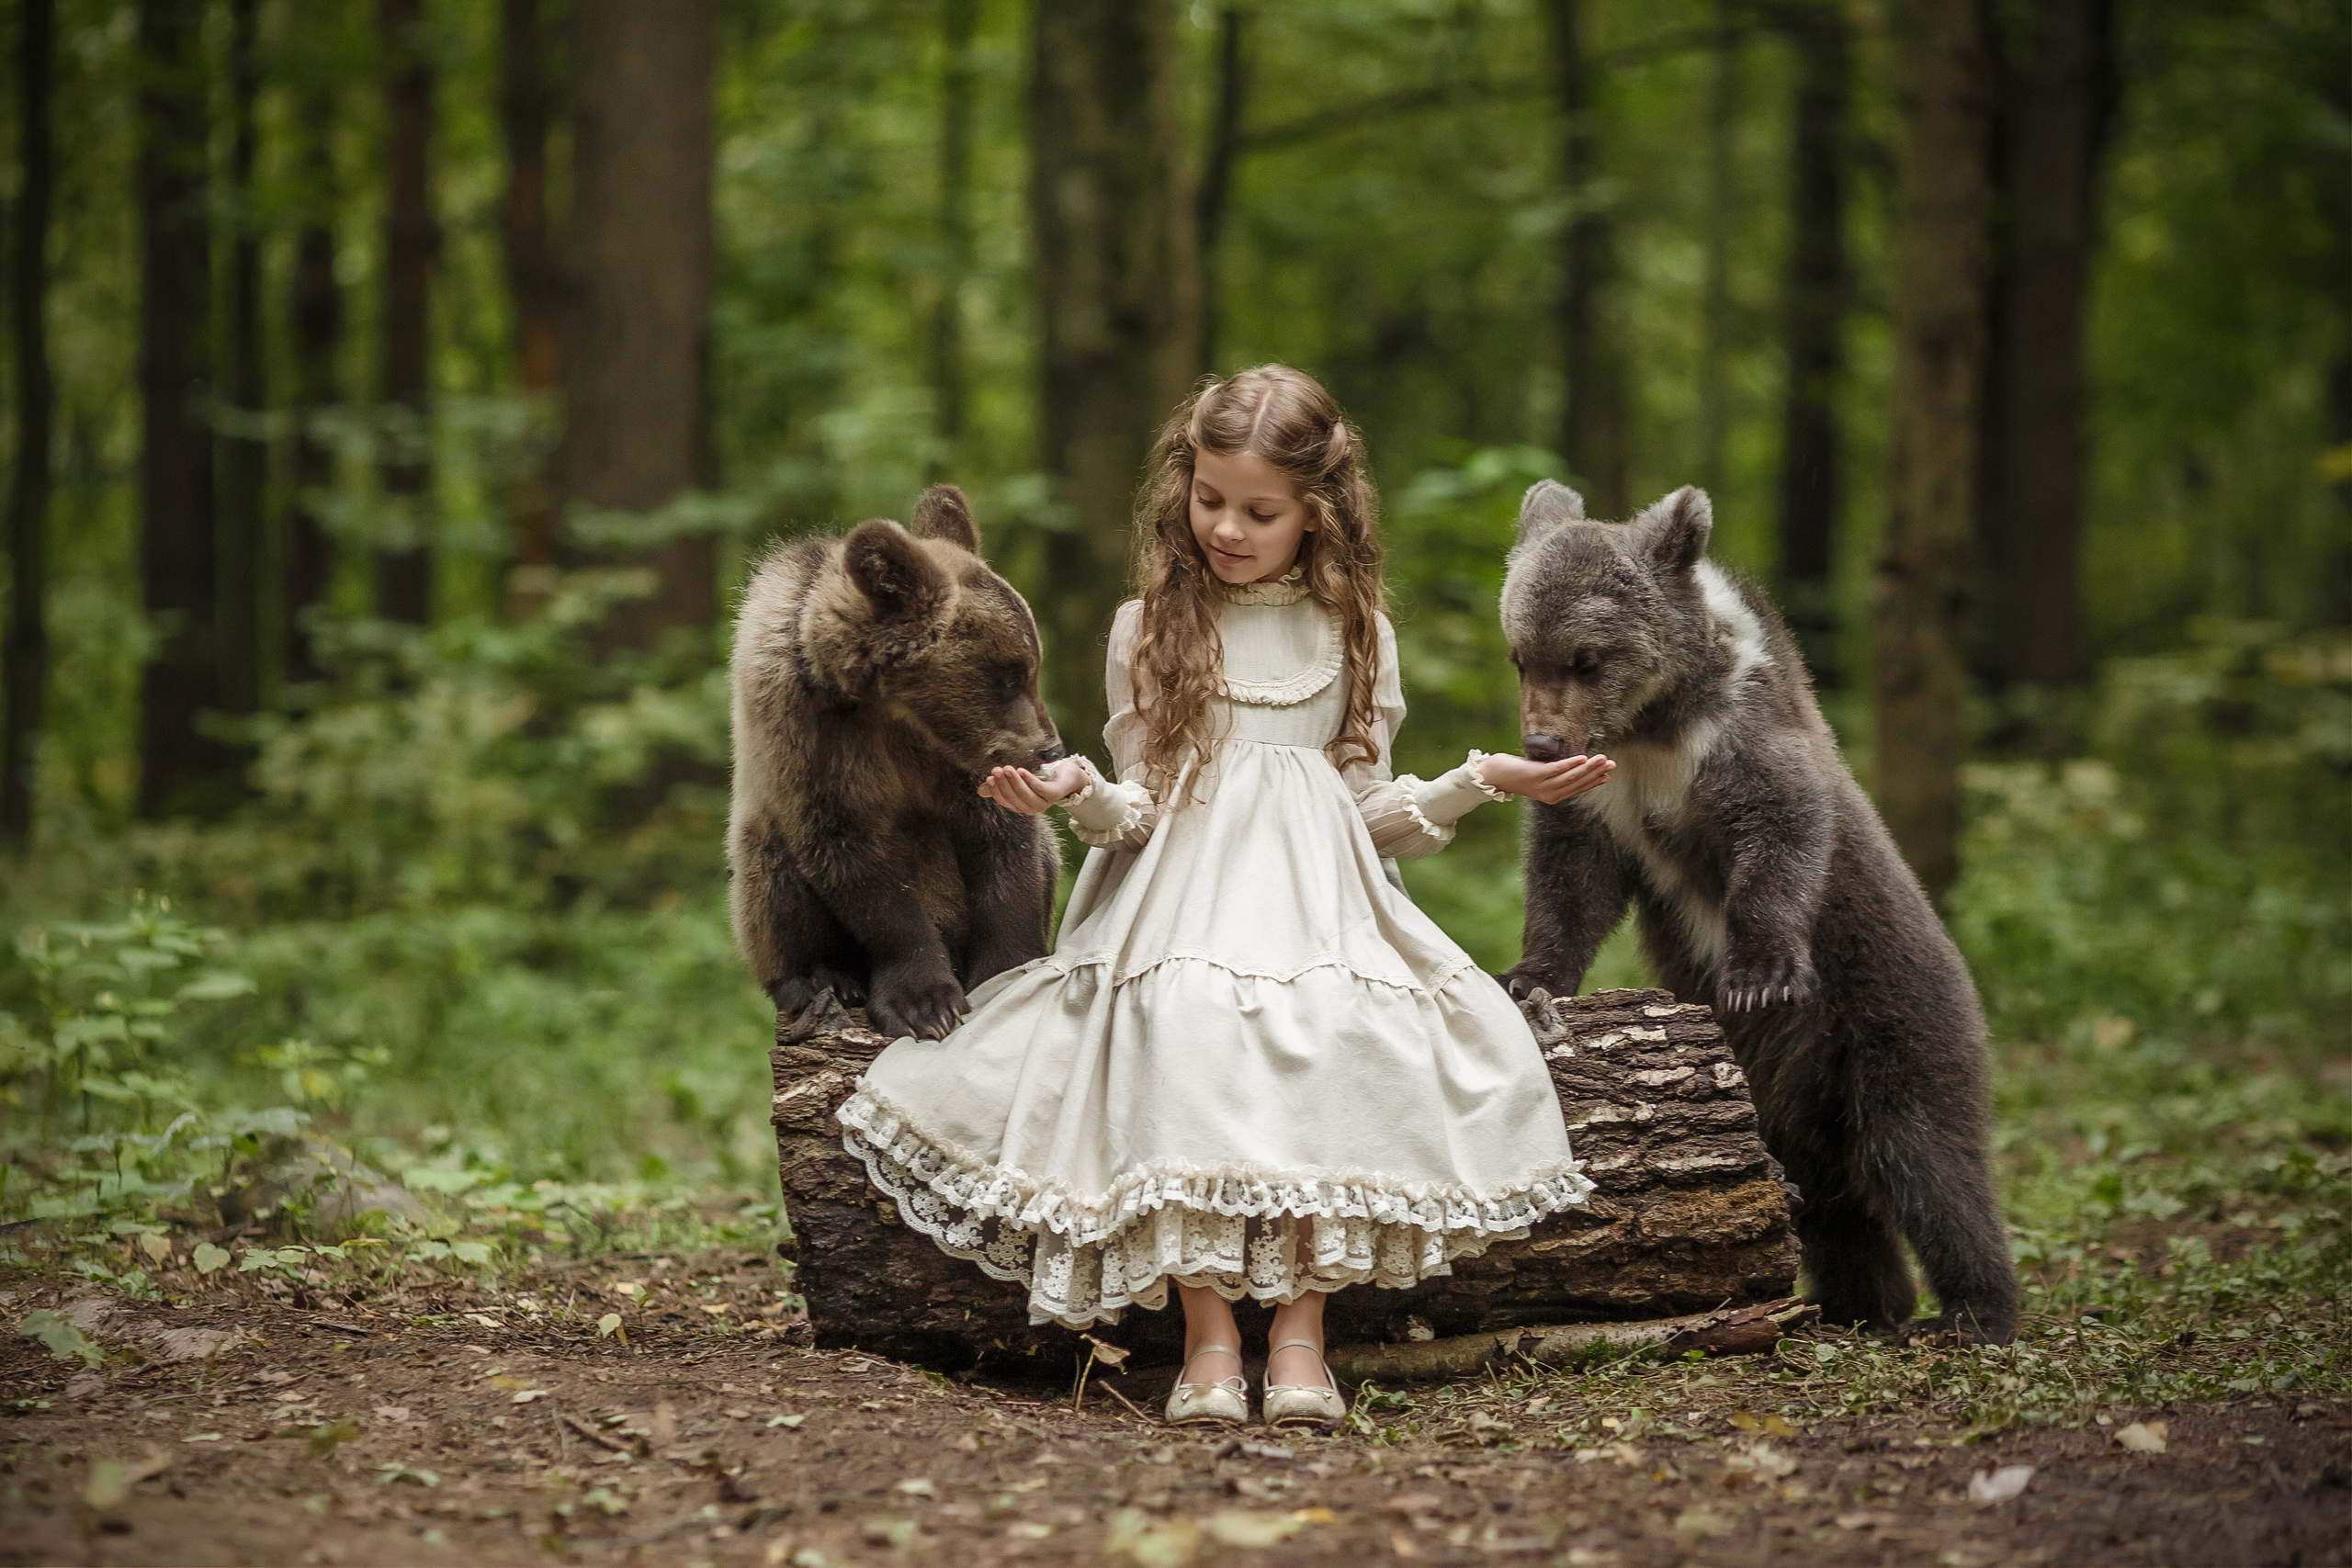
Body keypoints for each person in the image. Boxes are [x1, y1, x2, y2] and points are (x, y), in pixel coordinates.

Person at [836, 365, 1616, 1429]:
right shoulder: (1146, 626)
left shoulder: (1357, 632)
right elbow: (1142, 807)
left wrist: (1480, 779)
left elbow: (1366, 810)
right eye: (1210, 501)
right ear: (1182, 487)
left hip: (1319, 907)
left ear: (1318, 512)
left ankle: (1299, 1338)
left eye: (1260, 511)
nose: (1228, 530)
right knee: (1184, 1027)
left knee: (1339, 1034)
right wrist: (1073, 791)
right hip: (1178, 902)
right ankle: (1209, 1341)